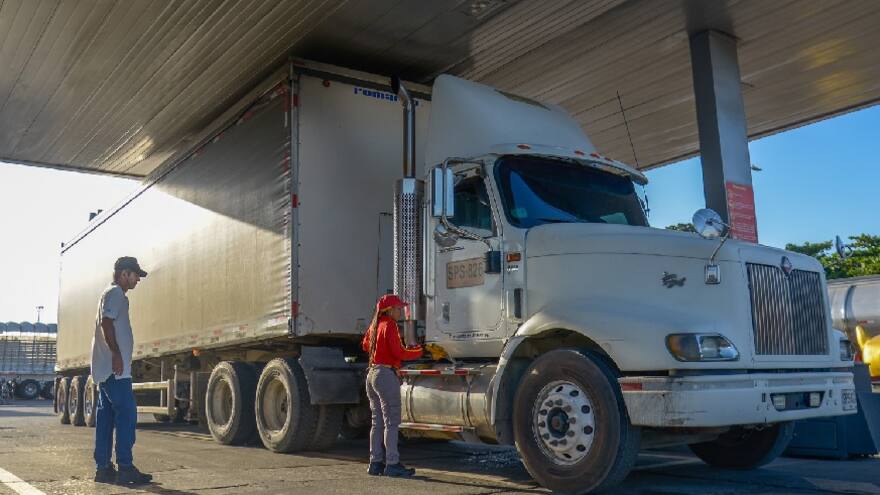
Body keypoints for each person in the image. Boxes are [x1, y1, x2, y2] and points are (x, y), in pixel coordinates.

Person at [91, 256, 152, 485]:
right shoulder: (116, 293)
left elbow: (108, 323)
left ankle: (104, 469)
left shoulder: (110, 293)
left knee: (106, 420)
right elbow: (107, 323)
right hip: (115, 371)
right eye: (136, 276)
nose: (137, 280)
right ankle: (125, 467)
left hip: (107, 371)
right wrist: (117, 354)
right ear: (125, 273)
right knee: (127, 415)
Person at [361, 294, 423, 477]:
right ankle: (393, 464)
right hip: (385, 375)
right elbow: (400, 352)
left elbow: (365, 345)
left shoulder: (375, 325)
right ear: (389, 310)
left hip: (371, 375)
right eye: (398, 308)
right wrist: (419, 351)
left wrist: (381, 351)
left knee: (377, 421)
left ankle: (375, 463)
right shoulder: (390, 325)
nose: (401, 311)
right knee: (391, 422)